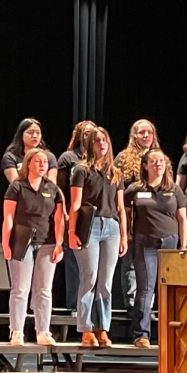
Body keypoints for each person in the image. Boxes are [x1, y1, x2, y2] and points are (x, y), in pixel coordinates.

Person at [68, 126, 127, 348]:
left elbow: (121, 208)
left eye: (104, 140)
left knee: (106, 281)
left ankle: (103, 328)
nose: (102, 144)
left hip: (111, 226)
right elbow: (75, 204)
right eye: (97, 141)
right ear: (90, 145)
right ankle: (86, 329)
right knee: (89, 277)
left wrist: (124, 236)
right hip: (89, 227)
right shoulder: (81, 170)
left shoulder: (116, 173)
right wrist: (72, 231)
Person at [1, 148, 66, 347]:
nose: (42, 165)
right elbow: (9, 216)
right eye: (37, 161)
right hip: (22, 242)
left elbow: (59, 219)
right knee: (20, 289)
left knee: (44, 289)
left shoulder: (52, 188)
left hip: (47, 243)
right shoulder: (17, 186)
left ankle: (43, 331)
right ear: (28, 163)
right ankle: (17, 331)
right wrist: (6, 243)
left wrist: (59, 244)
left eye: (45, 162)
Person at [124, 149, 187, 347]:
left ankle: (171, 333)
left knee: (169, 289)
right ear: (145, 165)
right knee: (145, 288)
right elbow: (124, 214)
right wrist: (127, 234)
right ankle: (141, 334)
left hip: (170, 242)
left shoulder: (174, 189)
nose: (158, 164)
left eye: (161, 161)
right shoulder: (135, 189)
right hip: (145, 243)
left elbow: (182, 218)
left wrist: (183, 244)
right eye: (153, 161)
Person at [114, 119, 162, 334]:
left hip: (154, 221)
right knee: (131, 264)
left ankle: (147, 306)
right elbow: (118, 191)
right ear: (134, 135)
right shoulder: (123, 158)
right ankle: (132, 304)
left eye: (149, 133)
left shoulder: (159, 158)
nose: (146, 136)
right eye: (141, 133)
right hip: (132, 217)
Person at [56, 121, 97, 312]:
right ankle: (74, 305)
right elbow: (60, 187)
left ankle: (92, 307)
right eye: (86, 133)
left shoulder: (100, 158)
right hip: (74, 211)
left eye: (93, 133)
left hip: (94, 214)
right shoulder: (68, 157)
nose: (89, 136)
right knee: (74, 261)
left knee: (94, 266)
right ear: (79, 134)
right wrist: (64, 210)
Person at [1, 118, 57, 185]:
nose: (35, 136)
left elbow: (52, 184)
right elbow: (15, 184)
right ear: (21, 135)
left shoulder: (49, 157)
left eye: (38, 133)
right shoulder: (10, 157)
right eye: (30, 132)